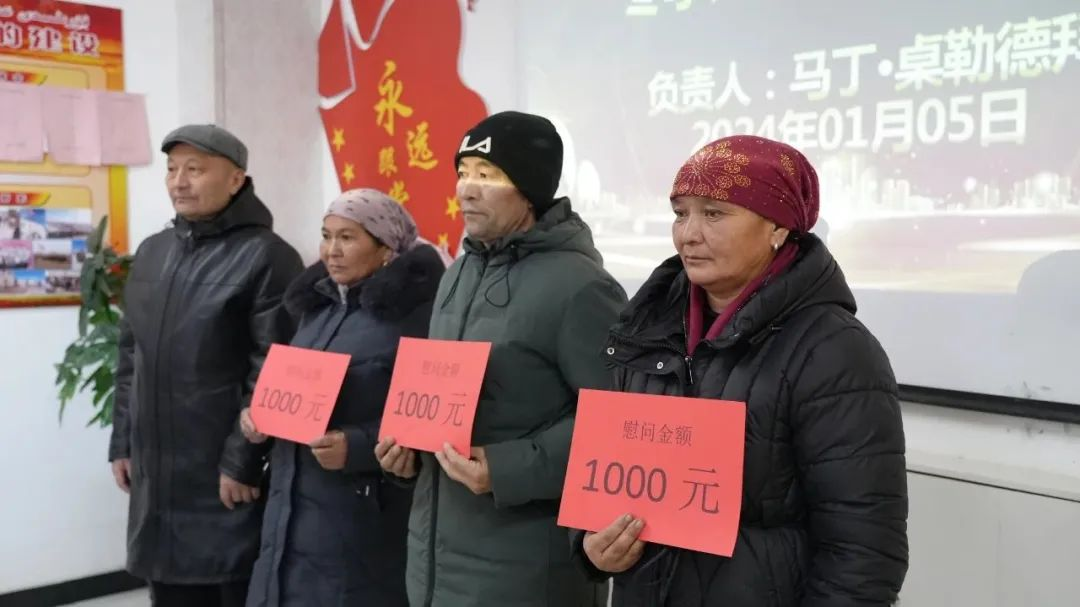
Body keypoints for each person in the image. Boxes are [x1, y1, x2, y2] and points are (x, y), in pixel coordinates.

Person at [574, 135, 909, 606]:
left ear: (778, 227)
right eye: (680, 213)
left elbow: (864, 555)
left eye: (714, 213)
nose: (688, 234)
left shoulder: (834, 351)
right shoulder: (645, 329)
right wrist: (591, 547)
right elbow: (604, 484)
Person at [375, 111, 626, 607]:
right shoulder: (458, 272)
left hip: (526, 568)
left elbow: (620, 421)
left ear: (529, 191)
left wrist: (510, 467)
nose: (467, 190)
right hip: (434, 564)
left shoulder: (582, 287)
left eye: (487, 176)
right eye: (463, 172)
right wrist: (406, 453)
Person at [108, 124, 303, 607]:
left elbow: (275, 370)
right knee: (168, 592)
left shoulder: (268, 257)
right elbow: (131, 355)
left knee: (226, 587)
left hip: (222, 475)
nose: (179, 182)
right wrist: (122, 441)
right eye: (172, 169)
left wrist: (242, 460)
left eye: (195, 169)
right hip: (158, 474)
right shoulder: (153, 252)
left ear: (236, 179)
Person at [242, 189, 446, 606]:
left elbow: (432, 420)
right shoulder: (316, 307)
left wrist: (357, 446)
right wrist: (261, 414)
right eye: (326, 235)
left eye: (347, 237)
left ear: (386, 248)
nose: (331, 250)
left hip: (361, 520)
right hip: (288, 510)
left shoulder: (417, 318)